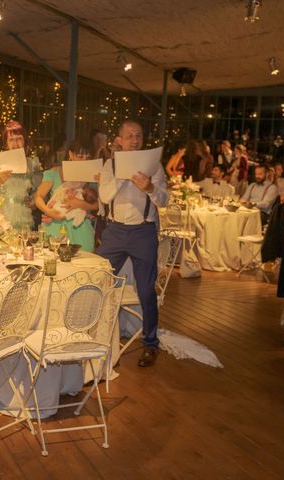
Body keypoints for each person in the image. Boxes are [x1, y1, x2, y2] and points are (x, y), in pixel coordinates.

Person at [97, 120, 168, 367]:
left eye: (138, 136)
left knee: (146, 291)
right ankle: (98, 338)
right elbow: (104, 196)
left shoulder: (154, 165)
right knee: (99, 281)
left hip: (143, 232)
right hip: (115, 232)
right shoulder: (109, 164)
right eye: (129, 136)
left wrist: (149, 187)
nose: (135, 140)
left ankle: (150, 344)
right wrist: (122, 177)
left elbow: (164, 199)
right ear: (120, 140)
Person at [34, 139, 97, 252]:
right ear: (71, 154)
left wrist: (80, 204)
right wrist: (50, 212)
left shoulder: (90, 175)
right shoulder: (54, 172)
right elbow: (38, 197)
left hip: (80, 226)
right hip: (55, 225)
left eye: (87, 158)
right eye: (80, 156)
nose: (84, 161)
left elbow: (97, 204)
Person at [0, 120, 42, 230]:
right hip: (0, 222)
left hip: (24, 221)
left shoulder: (32, 164)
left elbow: (41, 191)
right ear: (6, 143)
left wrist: (34, 202)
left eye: (19, 139)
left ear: (25, 141)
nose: (15, 143)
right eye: (11, 139)